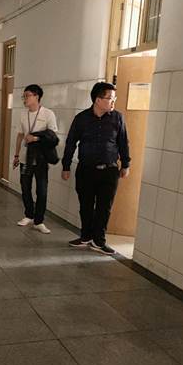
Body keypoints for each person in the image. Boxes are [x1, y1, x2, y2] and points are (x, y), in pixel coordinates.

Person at [61, 82, 130, 255]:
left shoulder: (118, 118)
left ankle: (99, 241)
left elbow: (123, 142)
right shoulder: (81, 118)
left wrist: (126, 164)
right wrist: (66, 166)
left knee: (104, 208)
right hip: (86, 170)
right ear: (98, 100)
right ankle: (85, 237)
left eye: (114, 98)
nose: (113, 101)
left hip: (109, 170)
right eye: (110, 98)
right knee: (85, 205)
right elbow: (71, 143)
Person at [13, 84, 58, 234]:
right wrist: (16, 155)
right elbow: (20, 135)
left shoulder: (48, 114)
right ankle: (29, 215)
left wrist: (36, 138)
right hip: (25, 158)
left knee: (42, 190)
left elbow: (52, 135)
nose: (25, 98)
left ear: (37, 96)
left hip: (41, 158)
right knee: (25, 188)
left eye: (27, 95)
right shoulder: (23, 114)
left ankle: (39, 221)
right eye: (24, 96)